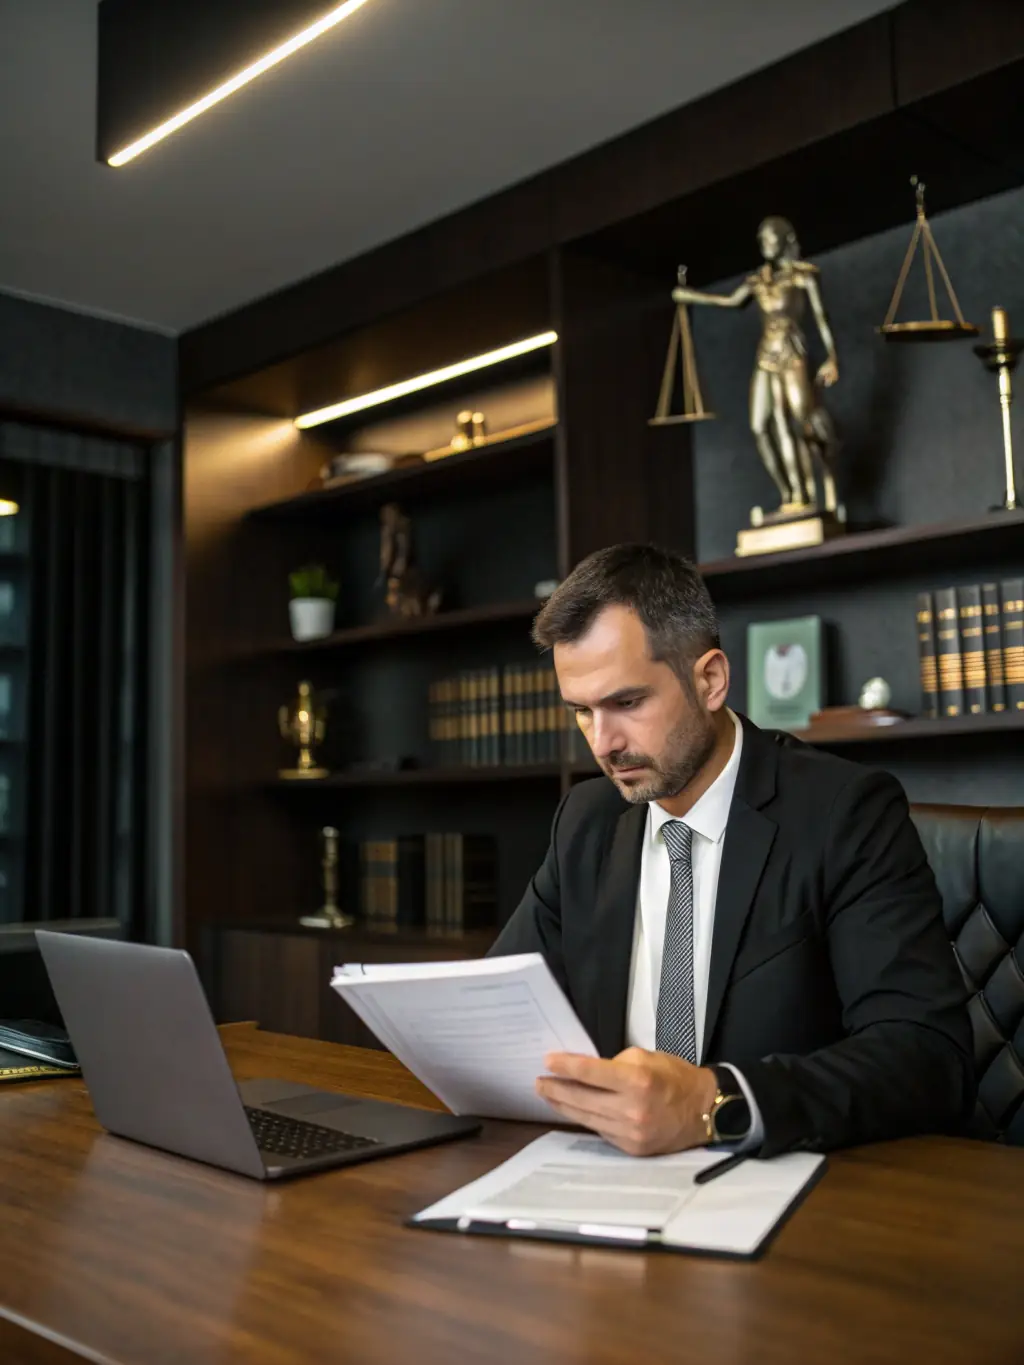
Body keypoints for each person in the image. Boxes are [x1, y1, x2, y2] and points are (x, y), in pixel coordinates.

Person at [490, 544, 973, 1158]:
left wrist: (715, 1102)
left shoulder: (845, 812)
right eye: (582, 712)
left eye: (627, 703)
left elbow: (926, 1055)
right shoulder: (586, 820)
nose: (603, 743)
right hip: (613, 1172)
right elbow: (496, 1005)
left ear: (710, 680)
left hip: (792, 1177)